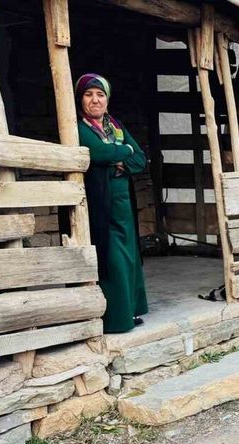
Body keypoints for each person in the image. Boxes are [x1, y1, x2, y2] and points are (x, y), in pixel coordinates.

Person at [76, 73, 148, 333]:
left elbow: (140, 158)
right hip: (101, 202)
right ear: (80, 99)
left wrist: (120, 161)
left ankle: (129, 311)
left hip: (123, 202)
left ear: (107, 99)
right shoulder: (80, 129)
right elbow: (99, 153)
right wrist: (124, 151)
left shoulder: (116, 126)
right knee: (112, 258)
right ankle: (115, 320)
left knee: (129, 256)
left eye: (100, 94)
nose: (95, 100)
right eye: (88, 94)